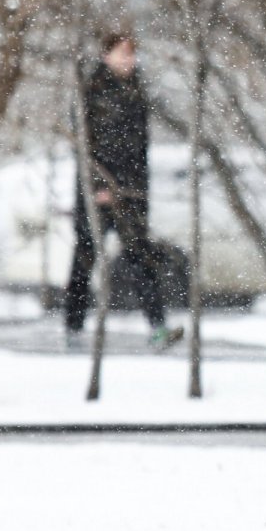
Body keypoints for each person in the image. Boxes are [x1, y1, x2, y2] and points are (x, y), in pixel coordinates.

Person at [65, 33, 181, 352]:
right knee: (84, 258)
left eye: (131, 54)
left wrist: (135, 191)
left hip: (132, 194)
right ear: (106, 56)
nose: (128, 60)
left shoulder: (135, 91)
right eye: (122, 53)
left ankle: (157, 326)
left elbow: (137, 149)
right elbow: (87, 147)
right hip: (98, 193)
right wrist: (100, 187)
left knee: (140, 258)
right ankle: (72, 327)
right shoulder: (92, 92)